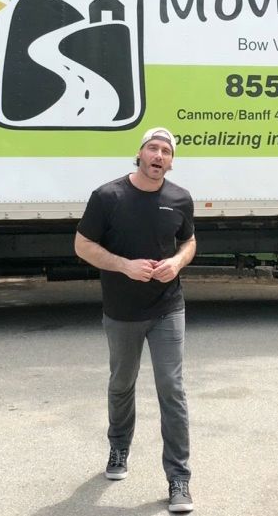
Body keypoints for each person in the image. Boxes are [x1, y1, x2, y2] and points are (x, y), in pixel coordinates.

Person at [74, 127, 197, 513]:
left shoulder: (180, 198)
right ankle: (118, 448)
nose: (159, 155)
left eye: (166, 151)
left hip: (167, 308)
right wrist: (124, 266)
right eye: (153, 148)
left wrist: (176, 263)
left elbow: (189, 242)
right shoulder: (108, 196)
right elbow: (82, 245)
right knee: (122, 383)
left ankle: (179, 479)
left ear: (171, 161)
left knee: (171, 389)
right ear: (139, 154)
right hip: (122, 311)